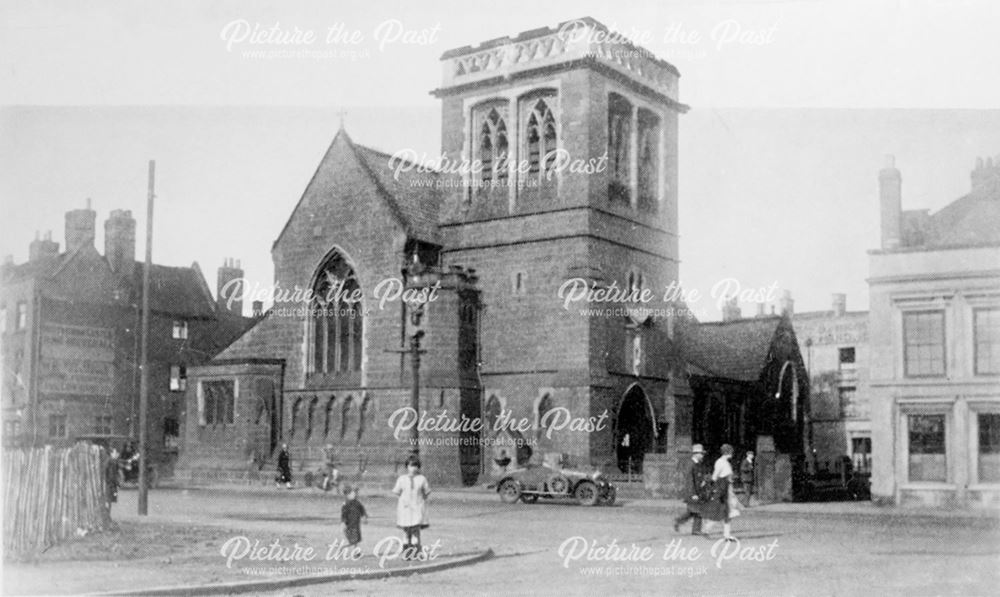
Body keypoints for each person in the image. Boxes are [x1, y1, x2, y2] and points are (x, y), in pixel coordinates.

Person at [393, 455, 430, 560]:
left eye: (415, 466)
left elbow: (426, 492)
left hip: (417, 509)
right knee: (406, 532)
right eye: (410, 466)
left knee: (415, 532)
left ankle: (416, 552)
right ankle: (406, 553)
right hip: (405, 510)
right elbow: (397, 492)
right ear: (407, 467)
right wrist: (404, 500)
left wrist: (419, 501)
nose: (413, 469)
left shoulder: (422, 479)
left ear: (418, 467)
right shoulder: (402, 479)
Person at [703, 443, 740, 542]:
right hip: (722, 489)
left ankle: (726, 535)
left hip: (728, 489)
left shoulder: (726, 462)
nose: (732, 454)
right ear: (727, 452)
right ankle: (706, 530)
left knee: (727, 513)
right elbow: (715, 476)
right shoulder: (720, 462)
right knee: (719, 512)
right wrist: (716, 489)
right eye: (731, 452)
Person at [674, 443, 709, 535]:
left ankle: (680, 521)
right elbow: (689, 480)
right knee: (698, 511)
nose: (702, 456)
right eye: (701, 454)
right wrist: (693, 493)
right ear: (696, 454)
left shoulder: (697, 464)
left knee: (693, 511)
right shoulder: (691, 464)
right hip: (693, 492)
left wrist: (703, 482)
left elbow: (698, 477)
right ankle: (695, 530)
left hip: (698, 491)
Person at [340, 486, 367, 552]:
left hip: (356, 524)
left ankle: (356, 551)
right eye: (352, 494)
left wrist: (364, 517)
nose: (354, 495)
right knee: (354, 540)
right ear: (347, 495)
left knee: (356, 540)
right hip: (349, 525)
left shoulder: (357, 503)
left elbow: (362, 510)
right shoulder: (346, 504)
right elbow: (343, 514)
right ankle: (343, 547)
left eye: (355, 494)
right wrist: (343, 523)